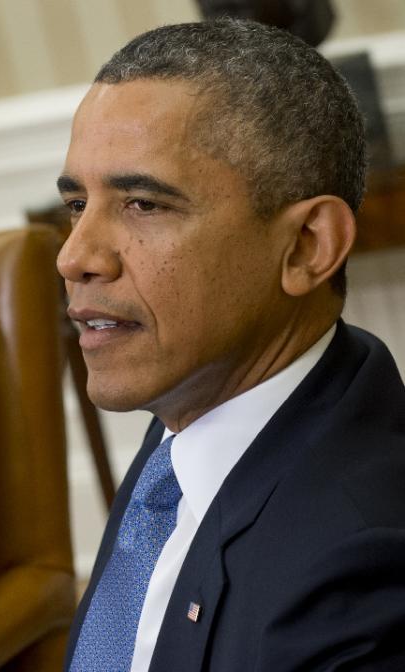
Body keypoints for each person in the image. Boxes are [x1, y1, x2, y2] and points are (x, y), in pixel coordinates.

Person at [57, 18, 405, 672]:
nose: (75, 257)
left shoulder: (364, 568)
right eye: (77, 204)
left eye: (142, 204)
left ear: (306, 246)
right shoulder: (196, 409)